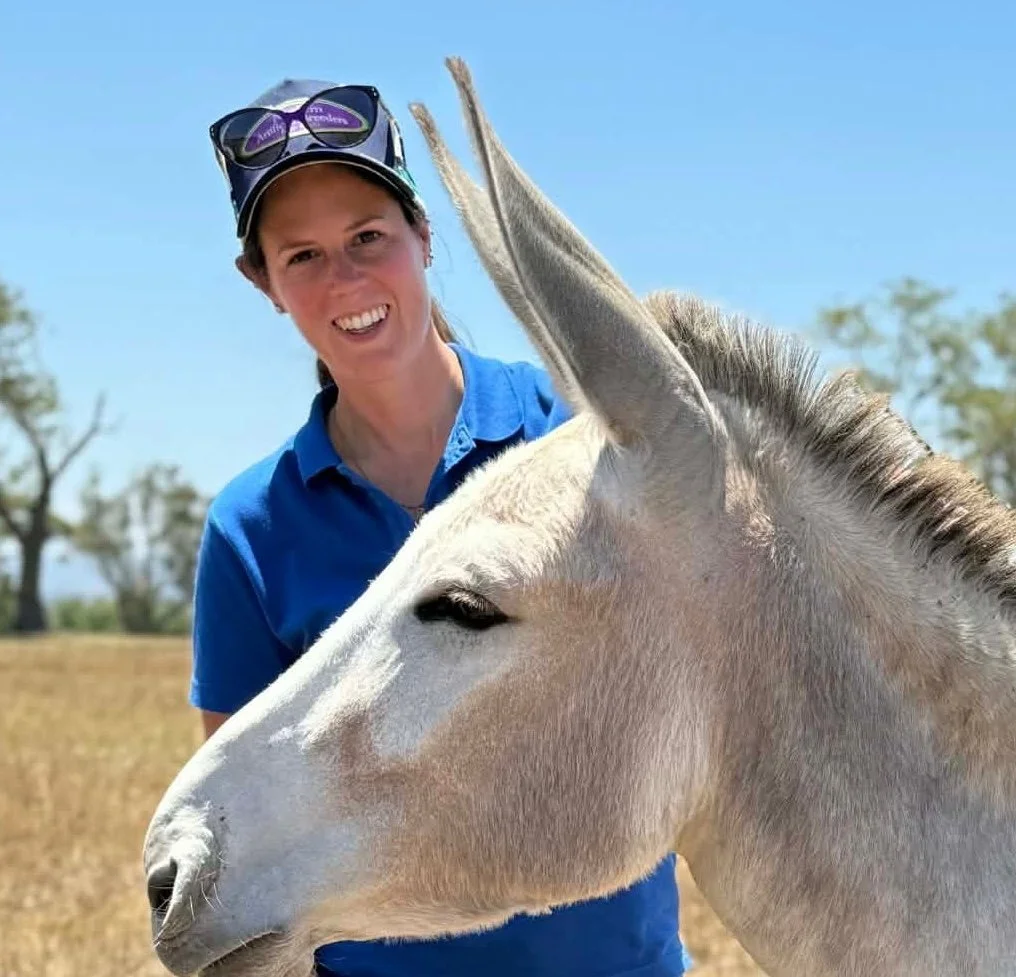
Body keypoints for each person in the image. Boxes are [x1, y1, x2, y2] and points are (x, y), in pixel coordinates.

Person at [190, 75, 693, 977]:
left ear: (423, 235)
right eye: (300, 256)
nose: (344, 278)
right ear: (260, 281)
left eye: (368, 237)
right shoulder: (250, 528)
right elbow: (245, 824)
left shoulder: (581, 444)